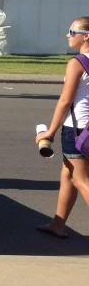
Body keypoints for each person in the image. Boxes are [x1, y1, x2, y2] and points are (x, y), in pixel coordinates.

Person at [35, 17, 89, 238]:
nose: (68, 35)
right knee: (67, 173)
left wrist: (50, 131)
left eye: (72, 31)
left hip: (76, 129)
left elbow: (65, 101)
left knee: (80, 179)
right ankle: (58, 224)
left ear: (86, 36)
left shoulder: (77, 63)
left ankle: (58, 224)